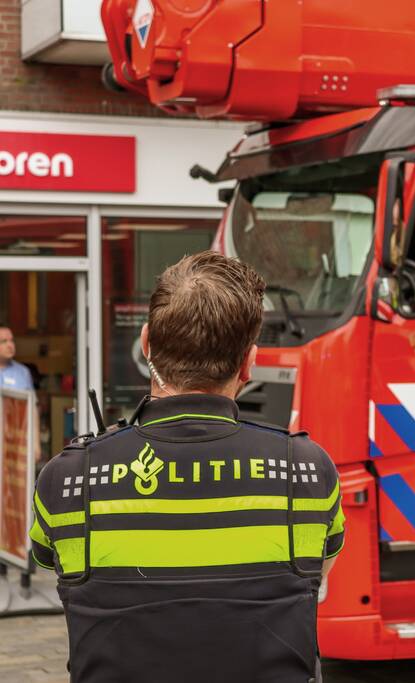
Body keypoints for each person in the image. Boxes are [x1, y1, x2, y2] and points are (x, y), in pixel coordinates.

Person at [30, 251, 344, 683]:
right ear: (250, 361)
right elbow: (316, 577)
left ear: (145, 345)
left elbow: (53, 564)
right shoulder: (307, 471)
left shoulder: (65, 480)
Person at [0, 325, 34, 391]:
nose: (10, 345)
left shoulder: (24, 372)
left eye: (12, 340)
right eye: (4, 341)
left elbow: (30, 400)